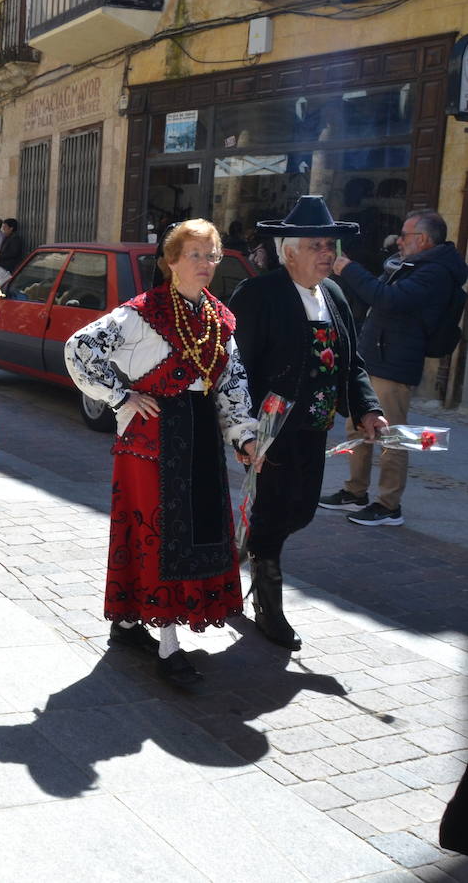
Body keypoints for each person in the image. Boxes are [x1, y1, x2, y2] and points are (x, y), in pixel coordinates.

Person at [66, 219, 259, 686]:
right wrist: (120, 396)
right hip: (150, 443)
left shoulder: (219, 319)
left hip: (198, 438)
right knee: (159, 538)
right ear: (170, 261)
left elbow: (231, 384)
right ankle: (168, 647)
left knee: (194, 533)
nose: (205, 264)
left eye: (212, 255)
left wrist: (245, 436)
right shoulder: (140, 312)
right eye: (195, 254)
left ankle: (129, 622)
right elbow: (80, 348)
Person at [229, 196, 385, 652]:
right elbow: (236, 370)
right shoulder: (259, 295)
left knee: (301, 510)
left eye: (330, 245)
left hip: (315, 428)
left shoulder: (334, 294)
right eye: (317, 244)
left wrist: (367, 408)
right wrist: (245, 434)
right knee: (276, 512)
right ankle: (268, 605)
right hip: (269, 433)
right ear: (289, 250)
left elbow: (351, 362)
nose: (327, 253)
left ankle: (239, 553)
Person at [322, 209, 468, 527]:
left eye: (405, 235)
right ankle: (355, 491)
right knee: (358, 428)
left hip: (396, 363)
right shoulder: (414, 265)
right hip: (375, 357)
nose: (398, 241)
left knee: (393, 437)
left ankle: (389, 505)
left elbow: (388, 298)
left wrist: (348, 268)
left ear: (424, 240)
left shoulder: (436, 272)